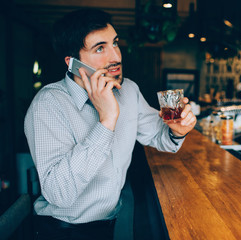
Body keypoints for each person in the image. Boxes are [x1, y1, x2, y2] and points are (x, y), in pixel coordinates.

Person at [24, 8, 196, 240]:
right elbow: (58, 194)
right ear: (73, 63)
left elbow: (159, 137)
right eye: (100, 48)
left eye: (114, 43)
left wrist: (177, 131)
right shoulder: (48, 103)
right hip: (61, 230)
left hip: (110, 223)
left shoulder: (129, 90)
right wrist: (106, 121)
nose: (115, 56)